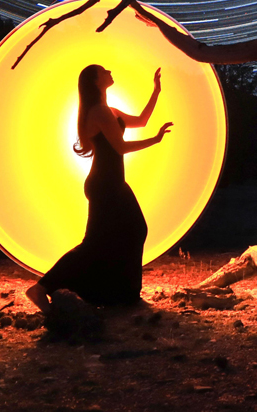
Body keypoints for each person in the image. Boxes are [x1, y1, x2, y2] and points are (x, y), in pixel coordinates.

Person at [26, 64, 172, 311]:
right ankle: (41, 288)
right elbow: (120, 147)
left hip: (113, 183)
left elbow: (141, 120)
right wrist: (155, 140)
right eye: (104, 71)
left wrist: (156, 91)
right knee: (96, 242)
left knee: (132, 231)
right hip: (104, 185)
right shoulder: (99, 112)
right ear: (95, 81)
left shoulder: (108, 110)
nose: (110, 72)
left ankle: (122, 295)